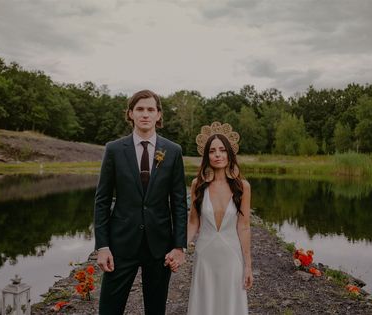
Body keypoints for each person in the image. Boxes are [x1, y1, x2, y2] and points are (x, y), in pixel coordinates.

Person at [94, 89, 187, 315]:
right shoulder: (114, 149)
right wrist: (102, 246)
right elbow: (102, 200)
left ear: (158, 115)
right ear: (130, 114)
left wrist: (179, 246)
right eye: (140, 109)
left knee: (155, 310)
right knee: (109, 309)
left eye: (150, 109)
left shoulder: (173, 151)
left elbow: (179, 202)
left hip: (159, 245)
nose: (145, 114)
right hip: (121, 244)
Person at [187, 122, 253, 315]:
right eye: (212, 151)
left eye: (222, 150)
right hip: (205, 255)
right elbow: (193, 222)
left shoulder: (243, 187)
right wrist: (179, 248)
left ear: (230, 154)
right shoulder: (197, 185)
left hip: (232, 256)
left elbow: (244, 227)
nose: (217, 155)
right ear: (206, 156)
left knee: (230, 306)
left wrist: (248, 266)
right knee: (204, 305)